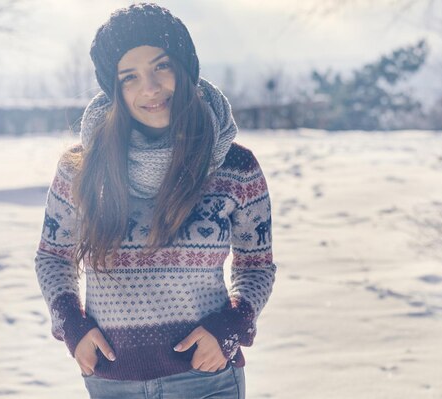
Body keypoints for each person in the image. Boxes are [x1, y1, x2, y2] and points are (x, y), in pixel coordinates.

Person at [34, 3, 275, 398]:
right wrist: (73, 330)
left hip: (207, 379)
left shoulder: (235, 167)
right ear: (114, 89)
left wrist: (230, 328)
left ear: (185, 69)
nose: (149, 87)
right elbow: (53, 256)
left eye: (161, 66)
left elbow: (256, 265)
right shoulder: (82, 168)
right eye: (129, 77)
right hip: (112, 382)